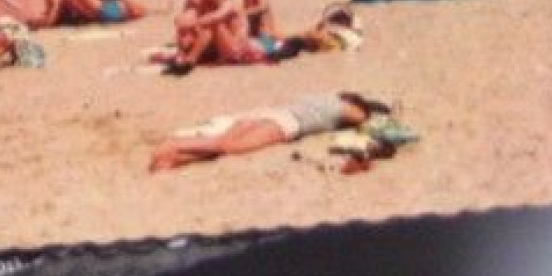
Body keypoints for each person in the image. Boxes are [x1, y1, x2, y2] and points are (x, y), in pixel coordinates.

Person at [149, 92, 394, 171]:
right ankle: (174, 145)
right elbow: (362, 120)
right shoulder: (345, 108)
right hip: (285, 125)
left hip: (268, 113)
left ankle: (173, 158)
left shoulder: (325, 97)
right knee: (229, 147)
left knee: (225, 146)